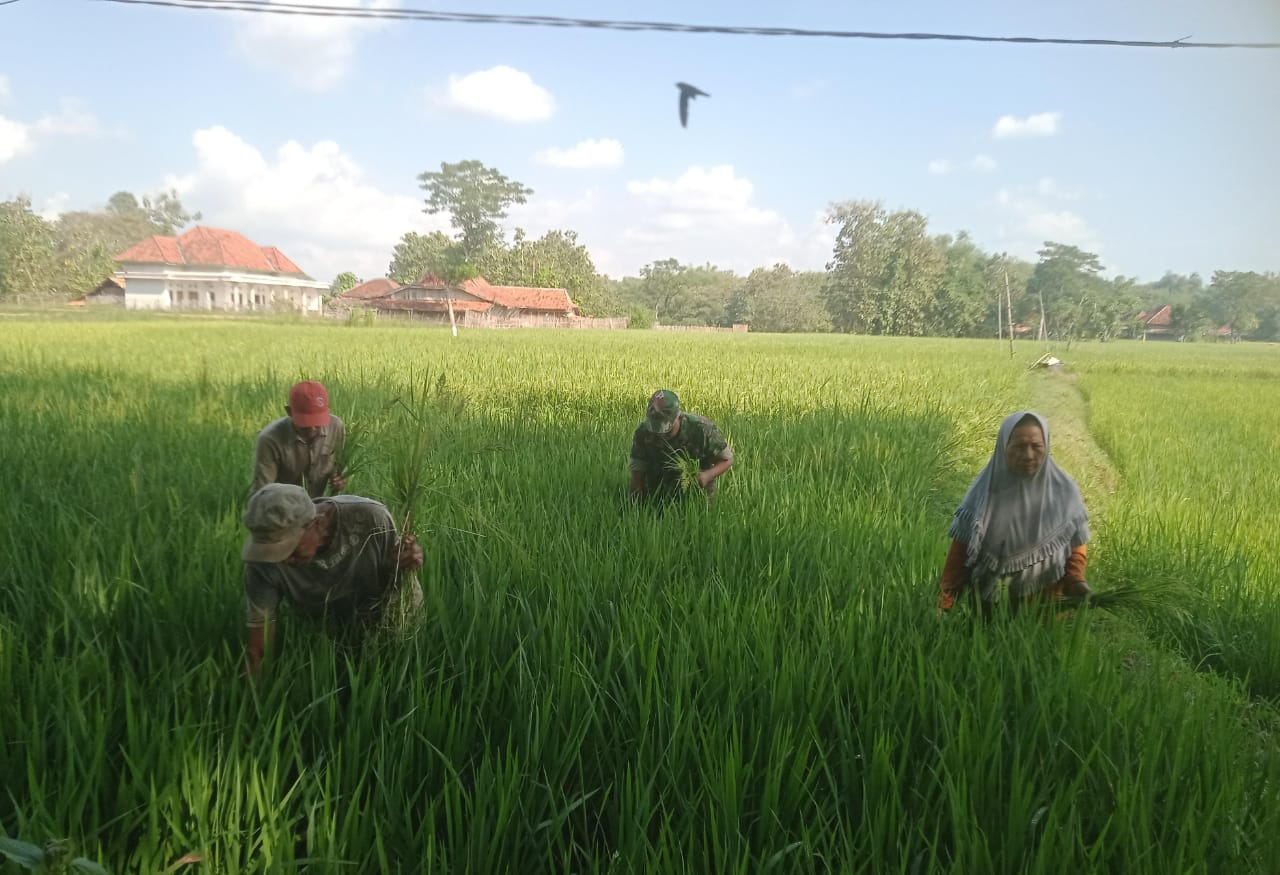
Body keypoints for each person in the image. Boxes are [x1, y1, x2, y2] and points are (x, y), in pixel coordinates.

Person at [241, 483, 424, 675]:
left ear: (317, 524)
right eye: (272, 552)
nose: (283, 560)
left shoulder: (370, 518)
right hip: (323, 628)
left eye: (289, 549)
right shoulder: (261, 565)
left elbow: (394, 582)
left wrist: (404, 561)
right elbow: (258, 650)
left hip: (378, 619)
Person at [939, 411, 1091, 616]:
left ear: (1046, 447)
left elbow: (1076, 546)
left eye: (1036, 446)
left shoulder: (1065, 493)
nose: (1028, 455)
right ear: (1003, 448)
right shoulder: (983, 496)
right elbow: (960, 554)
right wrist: (946, 602)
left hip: (1044, 610)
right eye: (1019, 447)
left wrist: (1076, 580)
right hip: (989, 609)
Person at [628, 389, 734, 502]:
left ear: (679, 416)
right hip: (657, 486)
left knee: (697, 510)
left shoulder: (701, 429)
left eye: (667, 431)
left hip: (697, 485)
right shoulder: (643, 431)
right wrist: (636, 501)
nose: (661, 435)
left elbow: (727, 460)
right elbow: (637, 469)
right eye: (656, 430)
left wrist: (707, 475)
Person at [250, 380, 347, 499]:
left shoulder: (336, 427)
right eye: (305, 423)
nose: (312, 429)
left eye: (317, 423)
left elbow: (338, 469)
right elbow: (263, 492)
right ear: (289, 412)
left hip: (319, 502)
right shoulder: (270, 439)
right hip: (282, 504)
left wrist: (338, 480)